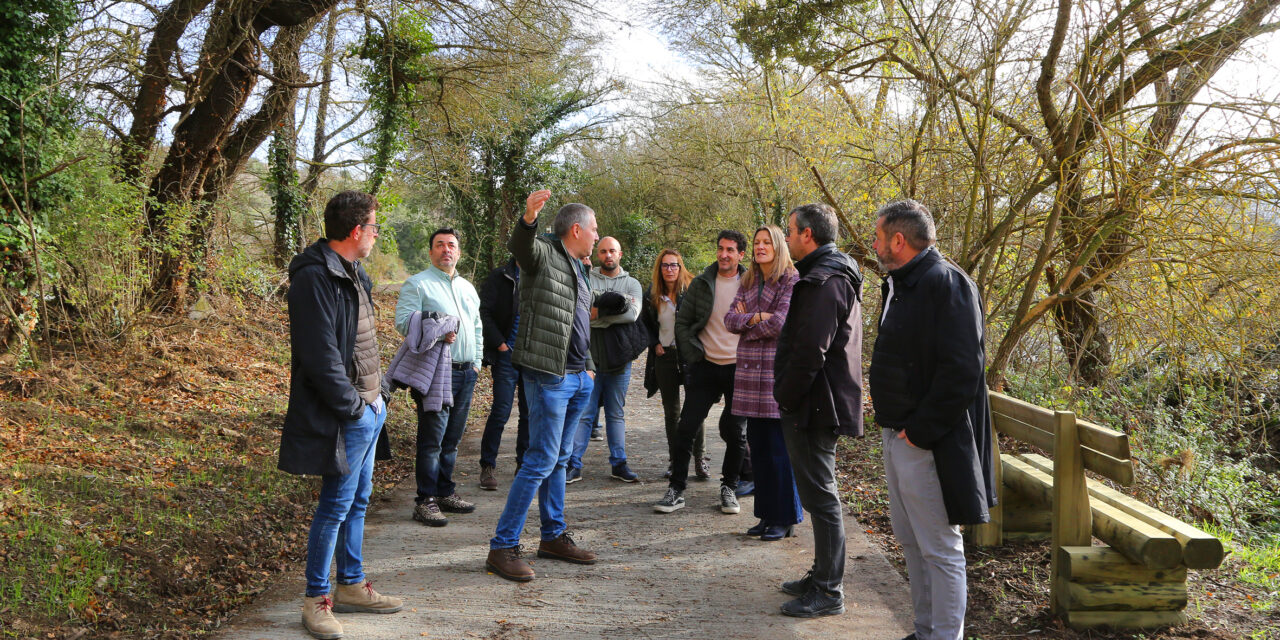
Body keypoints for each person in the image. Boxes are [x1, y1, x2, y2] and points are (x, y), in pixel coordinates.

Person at [869, 199, 997, 640]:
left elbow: (963, 371)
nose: (873, 243)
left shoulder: (947, 284)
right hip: (897, 434)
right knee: (911, 542)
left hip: (927, 442)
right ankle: (924, 632)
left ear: (898, 241)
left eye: (878, 236)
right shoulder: (901, 283)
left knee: (940, 549)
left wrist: (918, 434)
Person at [280, 190, 403, 639]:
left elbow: (362, 343)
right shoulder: (315, 279)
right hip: (350, 414)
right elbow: (320, 357)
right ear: (356, 231)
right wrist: (354, 409)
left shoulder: (353, 272)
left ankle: (350, 584)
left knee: (358, 501)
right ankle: (316, 598)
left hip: (372, 407)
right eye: (373, 227)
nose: (375, 235)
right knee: (334, 506)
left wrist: (380, 396)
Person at [486, 190, 600, 582]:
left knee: (560, 460)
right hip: (547, 375)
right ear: (576, 229)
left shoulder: (580, 266)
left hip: (576, 377)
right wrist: (529, 217)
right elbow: (521, 246)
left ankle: (552, 537)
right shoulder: (544, 254)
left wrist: (587, 368)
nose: (597, 237)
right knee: (539, 461)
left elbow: (580, 320)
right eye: (594, 229)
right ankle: (502, 546)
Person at [773, 203, 864, 618]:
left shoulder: (824, 280)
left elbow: (812, 349)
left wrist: (787, 396)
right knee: (817, 496)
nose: (787, 238)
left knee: (823, 499)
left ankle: (828, 591)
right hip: (814, 401)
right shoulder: (826, 274)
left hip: (814, 404)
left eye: (790, 231)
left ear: (807, 234)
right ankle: (822, 574)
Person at [653, 230, 753, 515]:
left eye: (730, 250)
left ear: (740, 254)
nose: (724, 254)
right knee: (686, 427)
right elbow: (682, 322)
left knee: (736, 432)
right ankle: (676, 489)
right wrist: (693, 354)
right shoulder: (701, 283)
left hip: (738, 369)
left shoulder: (751, 285)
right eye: (720, 248)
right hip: (706, 366)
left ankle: (729, 487)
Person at [395, 228, 483, 527]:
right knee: (432, 439)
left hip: (466, 371)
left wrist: (477, 364)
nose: (446, 250)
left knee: (452, 439)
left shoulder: (468, 288)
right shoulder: (418, 285)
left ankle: (445, 492)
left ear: (459, 252)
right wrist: (435, 326)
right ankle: (425, 500)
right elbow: (404, 323)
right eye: (440, 245)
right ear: (430, 251)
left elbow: (477, 327)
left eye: (452, 245)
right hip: (436, 372)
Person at [723, 225, 803, 542]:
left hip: (773, 374)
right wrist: (758, 318)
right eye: (756, 242)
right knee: (758, 452)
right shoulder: (748, 280)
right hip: (747, 377)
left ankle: (786, 516)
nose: (760, 246)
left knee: (779, 452)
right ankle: (767, 515)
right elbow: (730, 320)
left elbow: (782, 323)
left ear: (779, 245)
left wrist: (749, 321)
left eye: (766, 241)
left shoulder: (790, 279)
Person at [567, 237, 643, 483]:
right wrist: (611, 310)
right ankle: (573, 464)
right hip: (589, 357)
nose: (608, 255)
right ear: (598, 254)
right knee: (585, 413)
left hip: (620, 357)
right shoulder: (588, 278)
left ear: (620, 254)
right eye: (603, 251)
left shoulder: (631, 283)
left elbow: (632, 314)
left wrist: (601, 315)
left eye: (612, 251)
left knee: (615, 412)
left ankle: (619, 464)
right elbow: (581, 315)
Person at [641, 249, 709, 481]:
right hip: (665, 357)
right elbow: (646, 323)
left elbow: (704, 321)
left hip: (689, 357)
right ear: (659, 269)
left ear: (681, 267)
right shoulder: (652, 293)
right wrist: (654, 344)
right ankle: (675, 460)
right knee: (672, 412)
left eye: (674, 265)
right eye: (665, 265)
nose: (670, 269)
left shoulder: (692, 290)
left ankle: (700, 460)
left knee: (695, 410)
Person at [477, 258, 529, 491]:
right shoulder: (500, 276)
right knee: (501, 411)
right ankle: (487, 466)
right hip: (507, 355)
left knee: (529, 413)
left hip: (532, 357)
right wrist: (499, 344)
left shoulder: (542, 275)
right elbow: (484, 311)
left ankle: (523, 465)